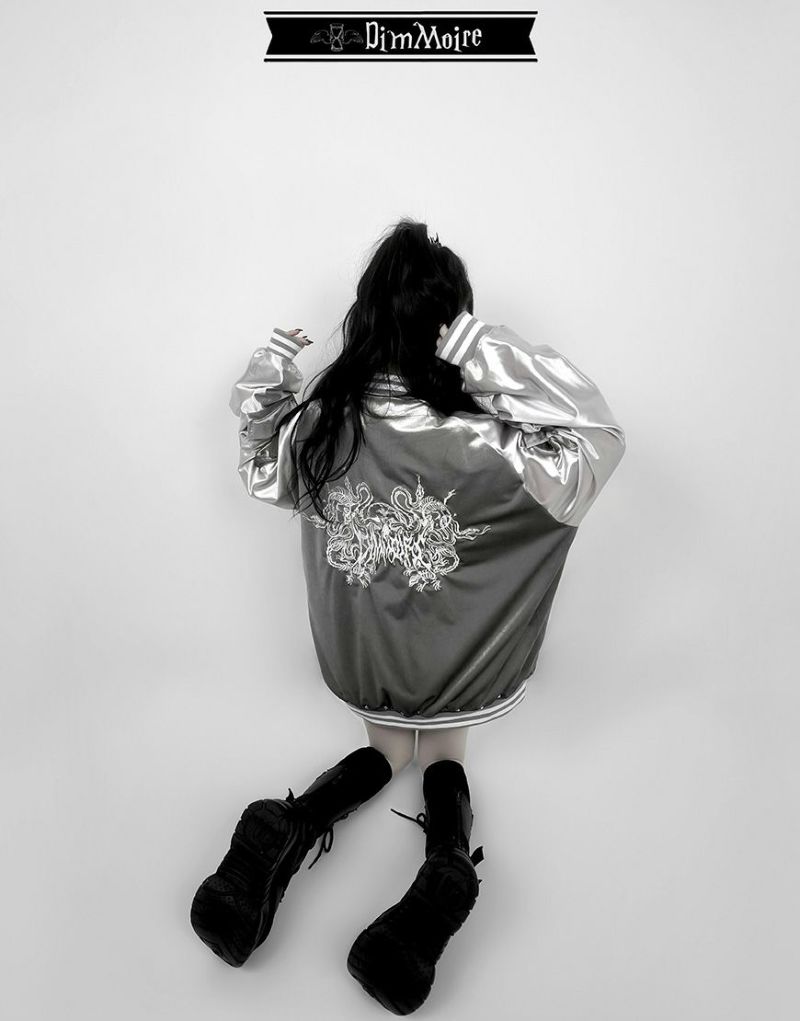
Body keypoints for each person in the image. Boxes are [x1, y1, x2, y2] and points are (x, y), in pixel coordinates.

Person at [190, 217, 626, 1014]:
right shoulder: (498, 447)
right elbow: (597, 435)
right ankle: (447, 863)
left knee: (388, 748)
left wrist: (271, 375)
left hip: (365, 664)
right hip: (464, 670)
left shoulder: (325, 423)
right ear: (451, 323)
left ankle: (290, 822)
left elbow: (260, 462)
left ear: (365, 316)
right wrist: (485, 352)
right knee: (442, 749)